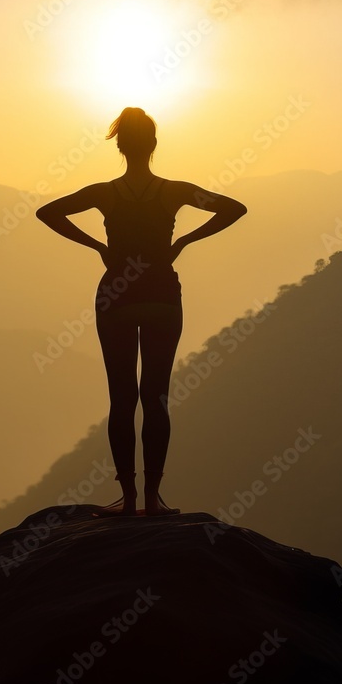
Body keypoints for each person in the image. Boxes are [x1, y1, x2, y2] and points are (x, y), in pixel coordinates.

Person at [35, 107, 247, 516]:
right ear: (152, 145)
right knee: (156, 397)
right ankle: (153, 498)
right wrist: (183, 240)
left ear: (119, 145)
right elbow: (234, 208)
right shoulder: (175, 191)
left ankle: (128, 499)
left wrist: (98, 247)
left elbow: (48, 212)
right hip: (162, 295)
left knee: (122, 399)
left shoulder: (103, 193)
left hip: (116, 295)